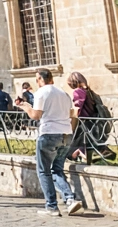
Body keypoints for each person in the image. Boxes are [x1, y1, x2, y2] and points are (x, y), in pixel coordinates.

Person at [14, 68, 84, 217]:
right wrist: (68, 131)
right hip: (65, 134)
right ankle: (70, 199)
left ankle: (51, 206)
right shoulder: (64, 94)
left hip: (48, 134)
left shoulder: (41, 92)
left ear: (40, 79)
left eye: (37, 79)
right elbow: (73, 114)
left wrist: (25, 106)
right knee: (57, 169)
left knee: (44, 171)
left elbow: (36, 116)